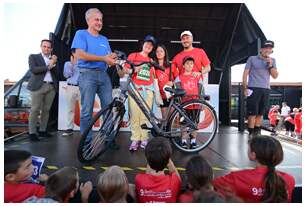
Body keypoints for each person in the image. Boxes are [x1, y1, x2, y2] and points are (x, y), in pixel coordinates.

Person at [71, 8, 118, 149]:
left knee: (109, 108)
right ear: (88, 20)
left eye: (101, 20)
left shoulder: (104, 39)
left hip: (103, 75)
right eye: (96, 19)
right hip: (87, 74)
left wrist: (113, 58)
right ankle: (87, 140)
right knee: (86, 110)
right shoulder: (81, 34)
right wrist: (104, 58)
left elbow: (108, 57)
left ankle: (109, 138)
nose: (99, 22)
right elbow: (80, 55)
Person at [213, 136, 295, 203]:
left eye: (249, 149)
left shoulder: (236, 178)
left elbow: (209, 185)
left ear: (253, 155)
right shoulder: (289, 179)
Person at [124, 35, 156, 151]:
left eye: (151, 45)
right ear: (142, 44)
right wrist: (134, 70)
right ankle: (135, 139)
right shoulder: (133, 55)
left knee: (145, 115)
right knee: (134, 114)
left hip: (148, 91)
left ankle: (144, 138)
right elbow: (125, 69)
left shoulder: (151, 61)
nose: (148, 46)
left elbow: (153, 76)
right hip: (135, 89)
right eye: (147, 43)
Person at [242, 40, 278, 138]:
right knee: (252, 113)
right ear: (261, 49)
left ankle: (257, 133)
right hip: (253, 88)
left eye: (270, 48)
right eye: (266, 48)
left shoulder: (272, 60)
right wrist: (245, 88)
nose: (268, 50)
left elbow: (275, 76)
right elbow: (245, 74)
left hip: (266, 89)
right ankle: (250, 133)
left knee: (261, 113)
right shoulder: (252, 59)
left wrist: (270, 65)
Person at [27, 39, 59, 141]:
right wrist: (49, 65)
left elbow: (57, 73)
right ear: (41, 47)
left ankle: (42, 130)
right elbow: (34, 70)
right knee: (35, 109)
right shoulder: (33, 57)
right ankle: (32, 132)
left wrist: (54, 63)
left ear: (51, 49)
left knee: (46, 110)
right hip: (38, 86)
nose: (46, 48)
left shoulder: (53, 59)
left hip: (51, 86)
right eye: (44, 46)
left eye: (48, 47)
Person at [135, 137, 181, 203]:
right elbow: (177, 176)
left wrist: (150, 158)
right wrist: (167, 159)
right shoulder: (174, 181)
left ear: (147, 159)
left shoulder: (139, 179)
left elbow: (147, 176)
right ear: (168, 161)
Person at [175, 56, 203, 149]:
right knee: (183, 124)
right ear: (183, 65)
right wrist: (179, 103)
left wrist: (202, 103)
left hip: (195, 105)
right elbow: (177, 92)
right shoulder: (179, 78)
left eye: (191, 63)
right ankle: (183, 141)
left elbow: (201, 91)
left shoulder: (197, 77)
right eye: (187, 63)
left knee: (194, 124)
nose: (190, 65)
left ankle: (193, 141)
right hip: (184, 105)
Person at [24, 167, 92, 203]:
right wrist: (84, 198)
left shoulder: (32, 199)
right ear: (71, 193)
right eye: (77, 181)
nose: (79, 180)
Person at [153, 44, 178, 118]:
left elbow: (178, 79)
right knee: (165, 118)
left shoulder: (171, 66)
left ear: (165, 53)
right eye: (157, 51)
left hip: (171, 95)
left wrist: (173, 83)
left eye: (161, 51)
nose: (159, 53)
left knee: (173, 118)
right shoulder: (153, 67)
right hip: (161, 96)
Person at [62, 50, 80, 136]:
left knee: (85, 109)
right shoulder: (68, 64)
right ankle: (69, 128)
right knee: (70, 109)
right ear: (72, 54)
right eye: (76, 53)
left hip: (82, 88)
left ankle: (85, 129)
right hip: (71, 86)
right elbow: (66, 75)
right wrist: (72, 65)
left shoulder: (84, 64)